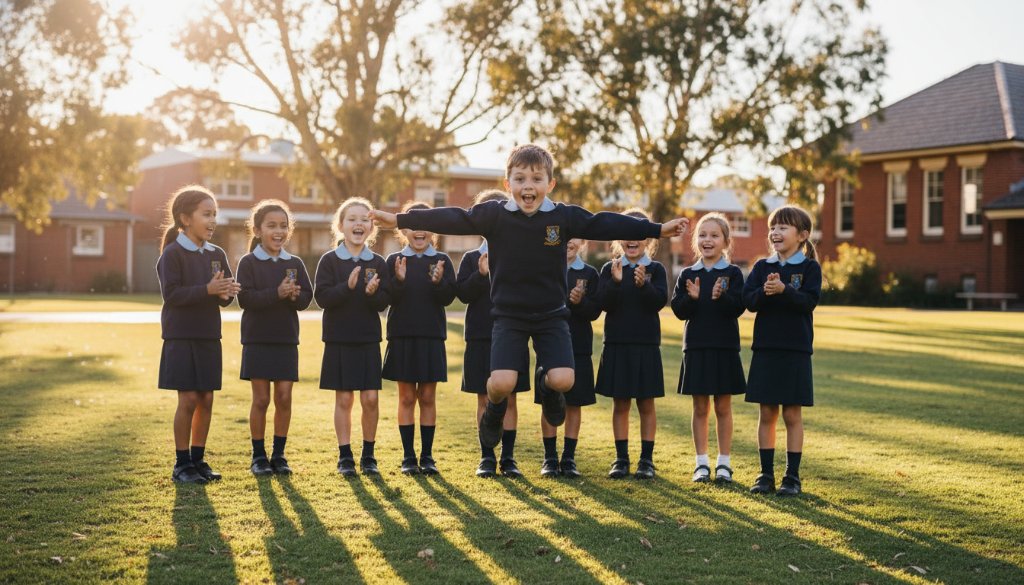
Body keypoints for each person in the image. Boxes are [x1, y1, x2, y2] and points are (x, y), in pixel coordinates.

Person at [370, 144, 688, 452]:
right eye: (520, 179)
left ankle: (549, 389)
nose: (528, 186)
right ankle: (494, 411)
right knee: (501, 384)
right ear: (508, 184)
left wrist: (657, 229)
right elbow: (452, 217)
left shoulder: (561, 217)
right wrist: (400, 220)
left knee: (563, 380)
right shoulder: (495, 215)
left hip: (551, 314)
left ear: (550, 184)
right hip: (508, 316)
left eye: (537, 179)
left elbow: (603, 223)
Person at [156, 184, 239, 483]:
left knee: (206, 399)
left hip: (208, 336)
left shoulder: (216, 253)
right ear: (185, 218)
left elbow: (225, 297)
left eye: (215, 214)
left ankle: (198, 460)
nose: (213, 220)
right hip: (181, 337)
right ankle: (182, 465)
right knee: (188, 399)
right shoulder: (172, 254)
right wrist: (208, 289)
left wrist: (225, 292)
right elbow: (173, 295)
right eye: (207, 214)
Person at [742, 205, 822, 497]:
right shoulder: (763, 267)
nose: (775, 232)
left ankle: (792, 477)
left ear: (802, 235)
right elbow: (749, 301)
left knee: (792, 414)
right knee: (767, 413)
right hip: (766, 349)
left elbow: (808, 302)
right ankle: (765, 475)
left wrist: (785, 290)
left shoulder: (810, 268)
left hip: (796, 350)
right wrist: (766, 290)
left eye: (783, 227)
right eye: (772, 227)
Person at [455, 189, 530, 478]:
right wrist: (481, 274)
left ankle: (508, 458)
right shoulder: (470, 258)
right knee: (483, 399)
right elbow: (462, 293)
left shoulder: (522, 255)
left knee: (510, 398)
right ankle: (487, 456)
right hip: (479, 336)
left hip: (513, 335)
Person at [314, 197, 391, 477]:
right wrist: (346, 288)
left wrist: (372, 295)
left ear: (372, 226)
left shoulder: (379, 262)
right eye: (352, 219)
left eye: (364, 219)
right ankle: (345, 456)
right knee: (344, 400)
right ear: (341, 225)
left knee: (370, 399)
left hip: (368, 339)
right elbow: (322, 298)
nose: (358, 224)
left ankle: (368, 455)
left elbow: (384, 301)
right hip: (338, 339)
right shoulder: (329, 261)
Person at [236, 199, 313, 476]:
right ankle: (258, 456)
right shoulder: (248, 263)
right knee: (260, 400)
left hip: (286, 340)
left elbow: (306, 298)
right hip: (257, 340)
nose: (278, 231)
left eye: (283, 226)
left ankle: (279, 456)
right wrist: (276, 294)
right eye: (271, 226)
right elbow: (244, 299)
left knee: (283, 397)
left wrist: (294, 296)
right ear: (257, 230)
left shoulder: (294, 263)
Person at [670, 212, 746, 484]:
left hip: (724, 347)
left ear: (725, 241)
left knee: (723, 407)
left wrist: (722, 297)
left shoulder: (733, 273)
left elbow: (739, 307)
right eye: (702, 235)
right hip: (696, 348)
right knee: (700, 407)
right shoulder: (688, 274)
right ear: (695, 241)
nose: (707, 240)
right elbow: (678, 310)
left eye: (714, 235)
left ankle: (724, 463)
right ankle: (701, 463)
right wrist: (691, 299)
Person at [383, 201, 457, 475]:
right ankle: (408, 457)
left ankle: (427, 456)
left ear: (434, 231)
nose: (419, 231)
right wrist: (399, 280)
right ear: (403, 231)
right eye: (412, 226)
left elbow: (448, 297)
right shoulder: (393, 261)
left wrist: (439, 282)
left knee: (427, 397)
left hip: (431, 336)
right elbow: (388, 297)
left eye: (425, 226)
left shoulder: (443, 260)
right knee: (405, 398)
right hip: (402, 335)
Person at [595, 209, 668, 480]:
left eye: (639, 234)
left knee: (646, 404)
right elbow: (603, 303)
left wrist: (643, 286)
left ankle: (646, 461)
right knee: (620, 404)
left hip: (646, 345)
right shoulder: (609, 268)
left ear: (648, 239)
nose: (632, 239)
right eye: (626, 233)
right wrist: (615, 283)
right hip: (616, 344)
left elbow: (659, 301)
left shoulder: (656, 269)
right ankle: (621, 459)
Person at [537, 238, 600, 478]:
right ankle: (550, 458)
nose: (567, 242)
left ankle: (569, 458)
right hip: (548, 345)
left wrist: (580, 302)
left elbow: (595, 311)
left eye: (573, 237)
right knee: (548, 401)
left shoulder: (590, 274)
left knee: (574, 403)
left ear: (582, 242)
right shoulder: (542, 268)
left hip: (579, 346)